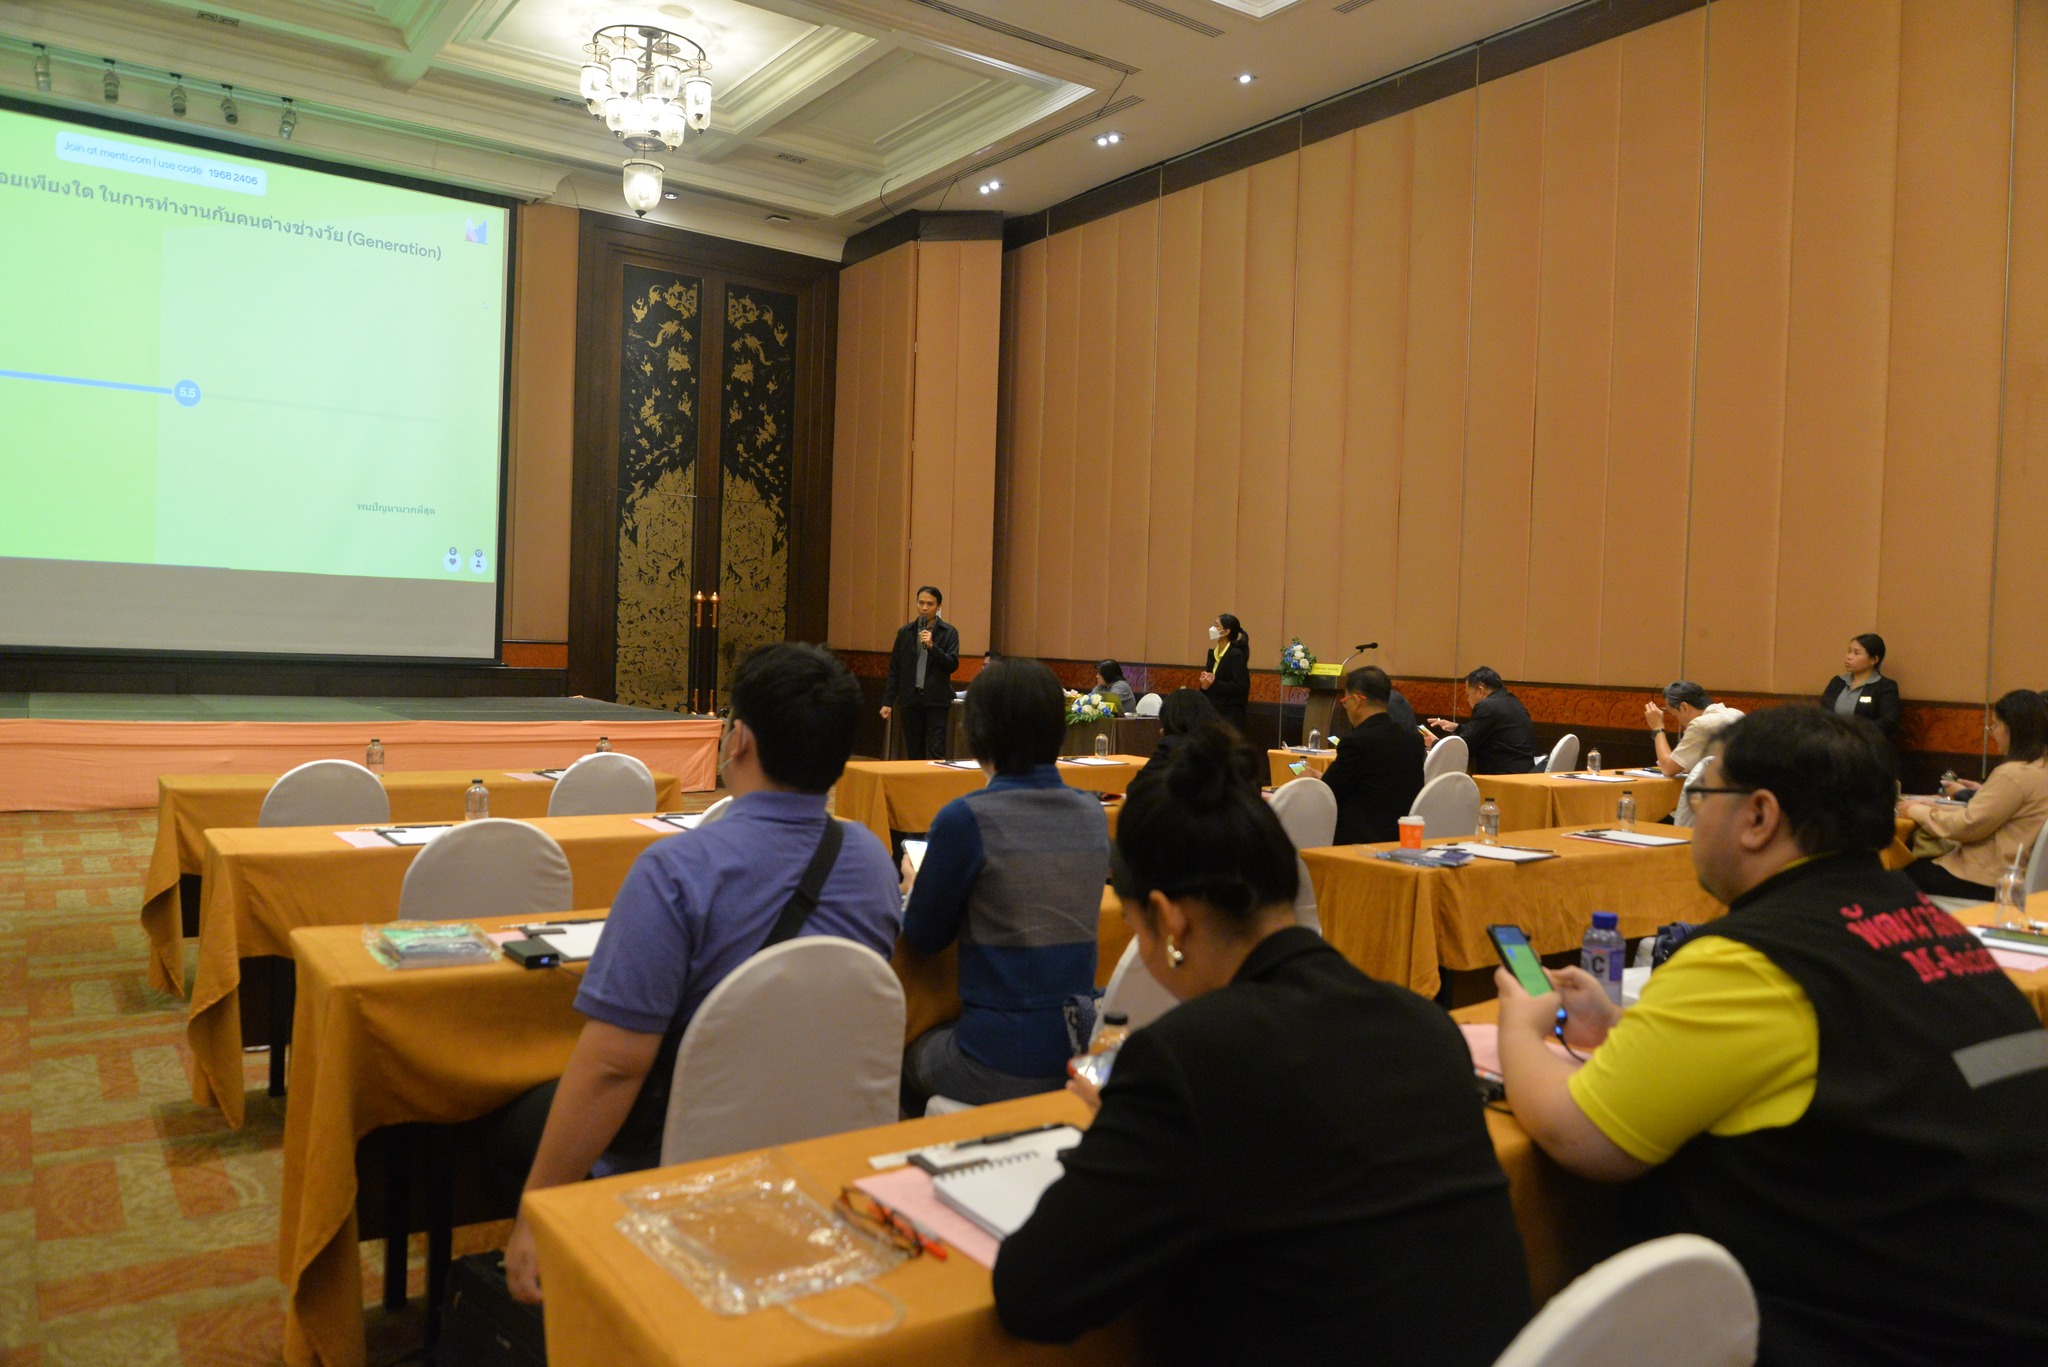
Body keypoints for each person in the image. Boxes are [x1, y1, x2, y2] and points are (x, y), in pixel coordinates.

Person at [1494, 706, 2048, 1365]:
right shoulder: (1930, 925)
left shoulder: (1755, 956)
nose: (1695, 815)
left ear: (1758, 816)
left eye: (1704, 794)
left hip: (1872, 1335)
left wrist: (1520, 1024)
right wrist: (1623, 1030)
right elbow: (1853, 1055)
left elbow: (1581, 1135)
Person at [994, 727, 1530, 1366]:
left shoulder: (1186, 1060)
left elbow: (1033, 1291)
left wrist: (1132, 1124)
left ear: (1170, 920)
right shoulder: (1425, 1025)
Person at [495, 643, 902, 1302]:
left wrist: (536, 1212)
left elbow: (614, 1066)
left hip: (680, 1154)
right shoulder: (871, 858)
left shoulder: (675, 871)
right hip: (822, 1146)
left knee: (505, 1127)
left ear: (738, 740)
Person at [899, 659, 1111, 1113]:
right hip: (1077, 1049)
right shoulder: (1092, 814)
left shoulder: (966, 819)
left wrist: (917, 884)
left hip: (997, 1059)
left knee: (897, 1053)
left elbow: (922, 936)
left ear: (974, 733)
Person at [1899, 689, 2048, 901]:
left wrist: (1917, 811)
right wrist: (1935, 807)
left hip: (1987, 878)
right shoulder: (2040, 768)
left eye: (1995, 725)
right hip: (2017, 875)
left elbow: (1968, 826)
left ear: (2012, 730)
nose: (1993, 733)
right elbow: (1988, 815)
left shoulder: (2013, 775)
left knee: (1894, 876)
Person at [1319, 666, 1426, 844]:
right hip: (1402, 840)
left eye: (1345, 702)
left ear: (1356, 701)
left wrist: (1311, 781)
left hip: (1358, 843)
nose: (1346, 708)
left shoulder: (1356, 743)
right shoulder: (1413, 740)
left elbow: (1327, 793)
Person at [881, 585, 960, 760]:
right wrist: (887, 701)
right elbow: (895, 669)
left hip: (936, 700)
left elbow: (952, 664)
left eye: (930, 604)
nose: (924, 608)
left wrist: (932, 647)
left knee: (936, 750)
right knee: (914, 751)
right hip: (910, 700)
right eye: (921, 603)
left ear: (938, 606)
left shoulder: (949, 632)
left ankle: (935, 779)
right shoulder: (905, 632)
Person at [1425, 667, 1539, 774]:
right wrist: (1457, 727)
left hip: (1503, 776)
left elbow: (1463, 748)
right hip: (1523, 772)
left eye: (1468, 694)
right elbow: (1485, 731)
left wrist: (1435, 743)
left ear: (1480, 690)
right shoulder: (1512, 701)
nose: (1467, 699)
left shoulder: (1486, 706)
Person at [1643, 681, 1744, 778]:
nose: (1679, 722)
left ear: (1684, 707)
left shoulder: (1700, 724)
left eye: (1675, 715)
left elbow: (1668, 769)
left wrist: (1658, 728)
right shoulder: (1737, 714)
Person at [1820, 632, 1902, 744]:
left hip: (1867, 746)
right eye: (1849, 651)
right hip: (1834, 744)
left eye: (1856, 653)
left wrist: (1854, 731)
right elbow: (1822, 713)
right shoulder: (1838, 682)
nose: (1849, 657)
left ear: (1874, 660)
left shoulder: (1885, 686)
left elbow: (1889, 723)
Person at [1199, 612, 1250, 731]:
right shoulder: (1213, 653)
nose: (1212, 629)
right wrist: (1204, 686)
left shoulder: (1236, 654)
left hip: (1230, 716)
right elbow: (1209, 685)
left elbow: (1240, 687)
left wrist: (1212, 683)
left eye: (1216, 626)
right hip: (1213, 712)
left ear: (1226, 631)